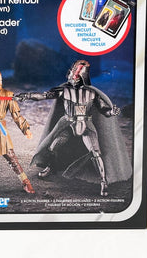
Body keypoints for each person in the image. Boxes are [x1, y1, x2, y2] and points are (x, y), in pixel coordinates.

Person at [14, 60, 132, 196]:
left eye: (77, 74)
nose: (74, 75)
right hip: (68, 124)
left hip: (86, 125)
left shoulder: (92, 94)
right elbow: (44, 96)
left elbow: (104, 110)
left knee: (95, 153)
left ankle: (103, 181)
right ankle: (51, 167)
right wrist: (26, 96)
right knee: (53, 147)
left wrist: (111, 112)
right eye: (73, 72)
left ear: (83, 77)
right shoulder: (64, 90)